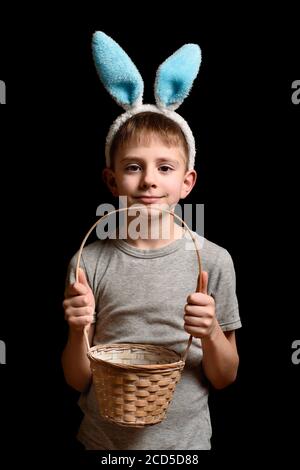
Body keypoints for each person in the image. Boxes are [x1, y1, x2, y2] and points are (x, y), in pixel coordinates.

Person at [62, 32, 241, 450]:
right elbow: (77, 379)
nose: (148, 181)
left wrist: (211, 330)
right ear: (111, 180)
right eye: (132, 167)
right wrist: (76, 330)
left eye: (164, 168)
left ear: (186, 182)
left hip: (186, 446)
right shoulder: (88, 261)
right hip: (103, 443)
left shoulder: (212, 262)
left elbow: (225, 377)